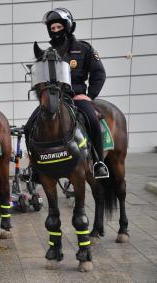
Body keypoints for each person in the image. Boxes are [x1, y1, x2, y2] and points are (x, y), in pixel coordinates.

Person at [24, 7, 109, 179]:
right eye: (52, 28)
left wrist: (89, 96)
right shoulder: (47, 54)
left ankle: (99, 162)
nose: (55, 31)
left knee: (92, 120)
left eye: (59, 27)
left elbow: (99, 73)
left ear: (67, 26)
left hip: (77, 97)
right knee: (28, 127)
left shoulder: (83, 49)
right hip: (54, 98)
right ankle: (35, 167)